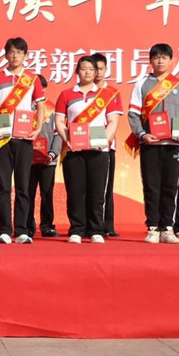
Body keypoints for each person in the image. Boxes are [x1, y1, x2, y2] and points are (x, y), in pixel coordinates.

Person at [127, 43, 179, 244]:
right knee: (151, 186)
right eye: (156, 57)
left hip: (174, 146)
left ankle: (167, 228)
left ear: (171, 60)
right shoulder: (141, 84)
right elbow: (133, 114)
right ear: (150, 60)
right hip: (150, 145)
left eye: (164, 58)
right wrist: (142, 135)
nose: (160, 61)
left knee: (170, 186)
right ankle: (152, 227)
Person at [0, 37, 46, 244]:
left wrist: (37, 129)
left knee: (23, 186)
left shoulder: (32, 79)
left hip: (24, 137)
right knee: (3, 185)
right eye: (11, 52)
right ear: (6, 54)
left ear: (25, 55)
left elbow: (41, 106)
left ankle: (22, 230)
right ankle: (5, 230)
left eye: (19, 52)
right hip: (2, 137)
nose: (15, 56)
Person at [55, 56, 121, 244]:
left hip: (99, 151)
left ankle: (96, 230)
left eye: (91, 69)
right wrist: (68, 140)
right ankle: (77, 229)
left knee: (97, 192)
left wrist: (104, 141)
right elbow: (59, 121)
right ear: (77, 71)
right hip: (74, 151)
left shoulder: (106, 95)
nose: (87, 72)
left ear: (96, 72)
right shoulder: (66, 94)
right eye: (83, 68)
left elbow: (113, 121)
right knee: (75, 191)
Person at [26, 74, 63, 238]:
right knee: (27, 193)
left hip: (48, 159)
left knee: (47, 193)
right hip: (27, 160)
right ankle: (27, 226)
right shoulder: (23, 108)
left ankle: (47, 226)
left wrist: (53, 153)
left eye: (39, 88)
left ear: (44, 89)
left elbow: (58, 133)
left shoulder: (52, 109)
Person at [91, 53, 120, 237]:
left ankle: (107, 225)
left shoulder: (112, 93)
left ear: (106, 69)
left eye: (101, 68)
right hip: (84, 145)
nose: (98, 72)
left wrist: (105, 140)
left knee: (106, 187)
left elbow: (114, 122)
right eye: (95, 69)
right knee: (88, 188)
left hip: (106, 146)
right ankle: (90, 224)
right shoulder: (83, 92)